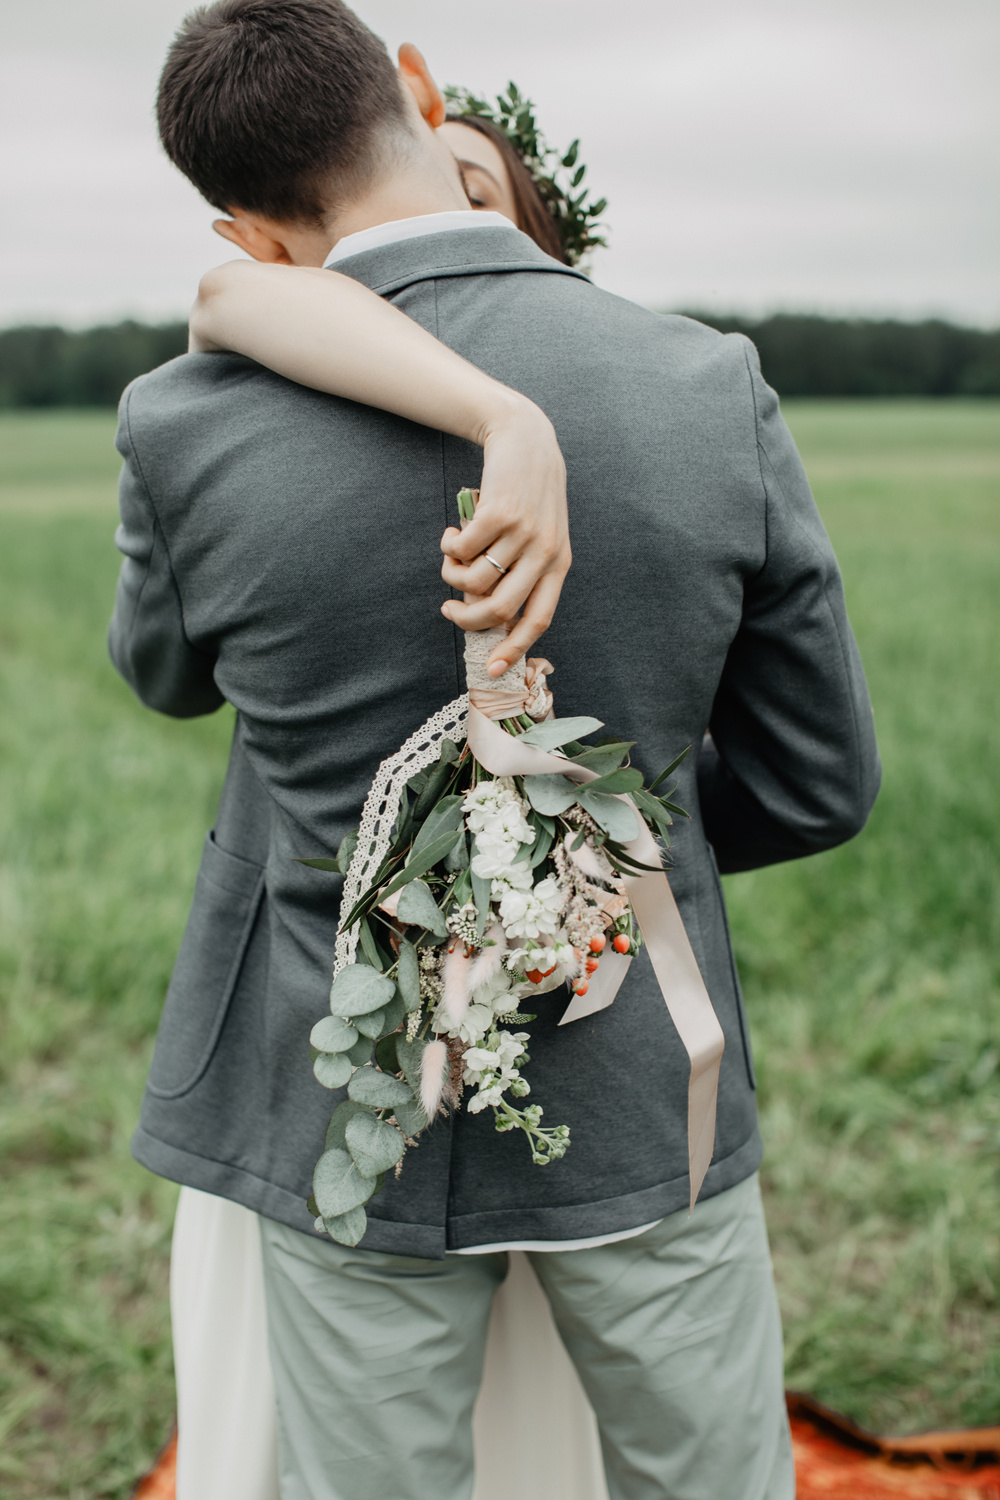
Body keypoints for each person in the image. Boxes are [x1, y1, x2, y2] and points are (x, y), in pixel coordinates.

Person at [110, 4, 881, 1499]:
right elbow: (817, 780)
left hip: (348, 1095)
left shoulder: (180, 426)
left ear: (243, 231)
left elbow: (164, 677)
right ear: (414, 85)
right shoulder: (705, 387)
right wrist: (608, 852)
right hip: (644, 1086)